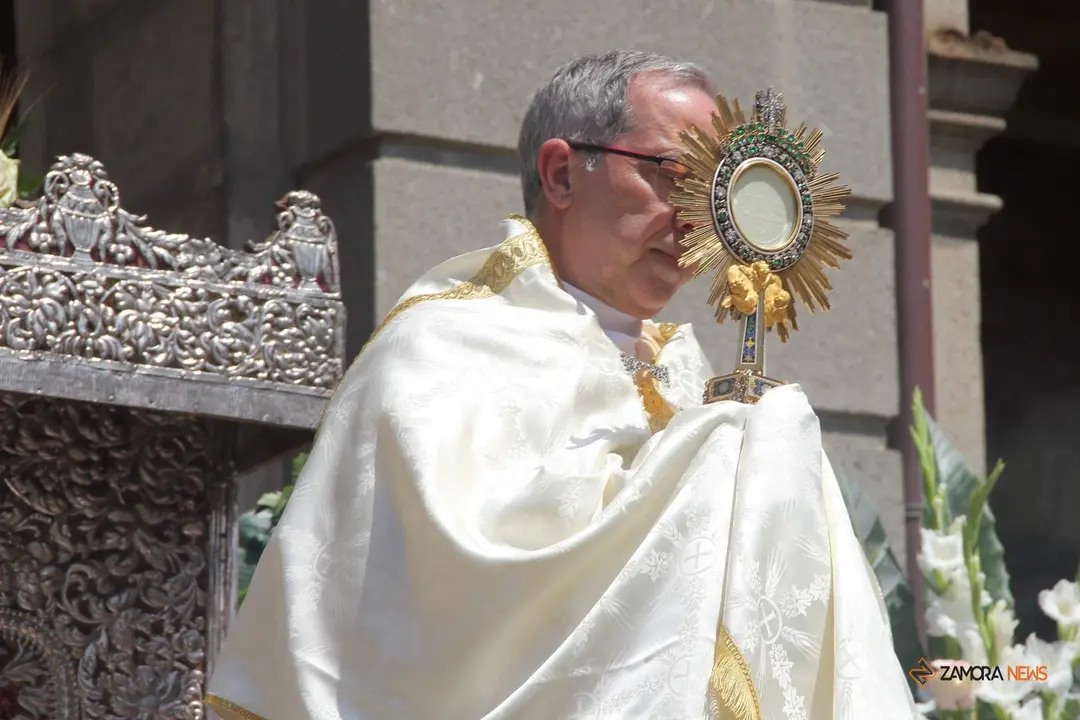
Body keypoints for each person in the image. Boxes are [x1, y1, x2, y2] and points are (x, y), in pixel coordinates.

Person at [206, 50, 917, 719]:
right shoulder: (436, 354)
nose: (702, 221)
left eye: (717, 186)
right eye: (675, 175)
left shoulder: (690, 380)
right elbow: (465, 596)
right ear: (562, 175)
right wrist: (708, 465)